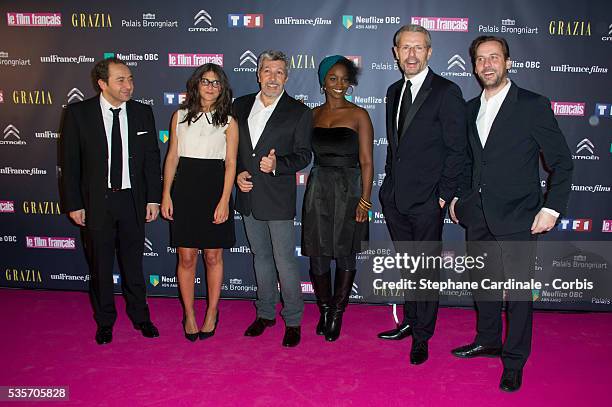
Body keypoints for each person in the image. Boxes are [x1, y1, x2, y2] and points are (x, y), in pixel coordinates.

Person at [449, 36, 573, 392]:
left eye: (494, 57)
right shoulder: (469, 108)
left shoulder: (533, 105)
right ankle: (488, 340)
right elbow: (468, 162)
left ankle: (514, 360)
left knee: (517, 294)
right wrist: (459, 200)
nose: (487, 65)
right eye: (480, 59)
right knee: (484, 285)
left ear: (508, 62)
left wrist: (551, 207)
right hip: (479, 215)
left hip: (520, 215)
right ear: (473, 66)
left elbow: (563, 163)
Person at [377, 24, 466, 365]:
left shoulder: (446, 91)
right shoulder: (392, 91)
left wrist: (442, 197)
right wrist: (387, 189)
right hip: (396, 198)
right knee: (408, 265)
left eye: (418, 48)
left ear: (429, 52)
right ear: (395, 53)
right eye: (405, 48)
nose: (411, 54)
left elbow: (457, 150)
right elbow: (396, 147)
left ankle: (423, 336)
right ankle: (411, 321)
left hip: (429, 200)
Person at [60, 57, 162, 345]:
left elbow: (152, 160)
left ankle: (141, 317)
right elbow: (70, 163)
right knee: (101, 268)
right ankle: (105, 322)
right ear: (102, 83)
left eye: (130, 78)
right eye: (120, 80)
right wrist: (75, 203)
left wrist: (152, 198)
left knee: (134, 265)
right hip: (97, 203)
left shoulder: (143, 113)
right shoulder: (79, 114)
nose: (128, 85)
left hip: (132, 201)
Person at [233, 50, 312, 347]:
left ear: (287, 77)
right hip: (249, 195)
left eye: (279, 72)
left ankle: (292, 320)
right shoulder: (239, 106)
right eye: (267, 71)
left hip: (277, 198)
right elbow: (233, 150)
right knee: (261, 258)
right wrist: (239, 173)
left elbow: (304, 155)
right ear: (258, 73)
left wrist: (278, 164)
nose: (273, 78)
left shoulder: (299, 111)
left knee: (284, 261)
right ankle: (265, 314)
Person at [161, 64, 238, 342]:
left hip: (214, 189)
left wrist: (224, 200)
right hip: (185, 191)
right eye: (205, 81)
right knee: (186, 257)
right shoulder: (179, 116)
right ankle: (189, 314)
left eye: (216, 83)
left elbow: (231, 163)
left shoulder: (229, 121)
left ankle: (212, 312)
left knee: (213, 256)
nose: (210, 87)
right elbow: (172, 157)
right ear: (196, 85)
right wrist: (166, 193)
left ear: (222, 88)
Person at [302, 55, 373, 342]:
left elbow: (367, 162)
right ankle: (324, 309)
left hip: (350, 189)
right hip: (318, 189)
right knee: (317, 256)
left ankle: (337, 313)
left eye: (344, 78)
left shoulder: (359, 115)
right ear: (322, 82)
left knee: (345, 252)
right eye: (333, 78)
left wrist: (364, 201)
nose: (339, 84)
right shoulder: (312, 116)